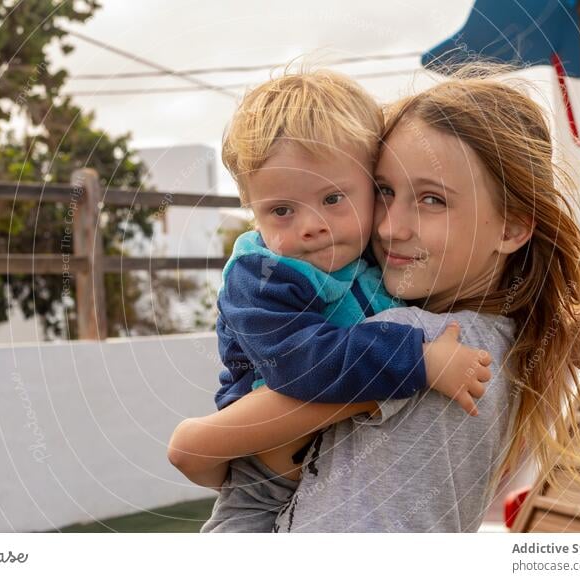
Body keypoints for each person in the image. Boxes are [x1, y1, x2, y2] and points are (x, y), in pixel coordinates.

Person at [169, 65, 580, 532]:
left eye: (432, 199)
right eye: (385, 191)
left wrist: (569, 331)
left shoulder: (425, 341)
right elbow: (290, 375)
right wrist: (565, 334)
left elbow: (194, 449)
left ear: (513, 227)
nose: (388, 226)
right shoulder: (506, 341)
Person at [169, 69, 494, 533]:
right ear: (251, 208)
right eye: (281, 210)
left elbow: (473, 289)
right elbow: (303, 365)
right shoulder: (262, 276)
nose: (311, 225)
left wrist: (577, 334)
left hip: (341, 465)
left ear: (370, 187)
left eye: (333, 198)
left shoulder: (367, 248)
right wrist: (420, 361)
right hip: (262, 485)